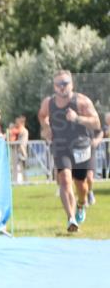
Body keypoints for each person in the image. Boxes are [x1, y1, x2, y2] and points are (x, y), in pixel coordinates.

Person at [38, 70, 101, 232]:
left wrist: (77, 118)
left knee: (82, 185)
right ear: (54, 87)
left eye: (65, 83)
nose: (62, 87)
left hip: (80, 146)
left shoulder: (81, 101)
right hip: (61, 146)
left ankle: (81, 204)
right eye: (58, 84)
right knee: (65, 180)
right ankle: (71, 218)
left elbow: (96, 123)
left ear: (71, 84)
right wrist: (46, 127)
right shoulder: (48, 102)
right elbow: (42, 115)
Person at [7, 115, 30, 184]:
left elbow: (22, 143)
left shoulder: (23, 131)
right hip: (15, 150)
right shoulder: (17, 129)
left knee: (22, 166)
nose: (16, 123)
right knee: (15, 167)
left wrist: (23, 152)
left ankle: (24, 180)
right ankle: (15, 181)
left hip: (20, 150)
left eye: (17, 121)